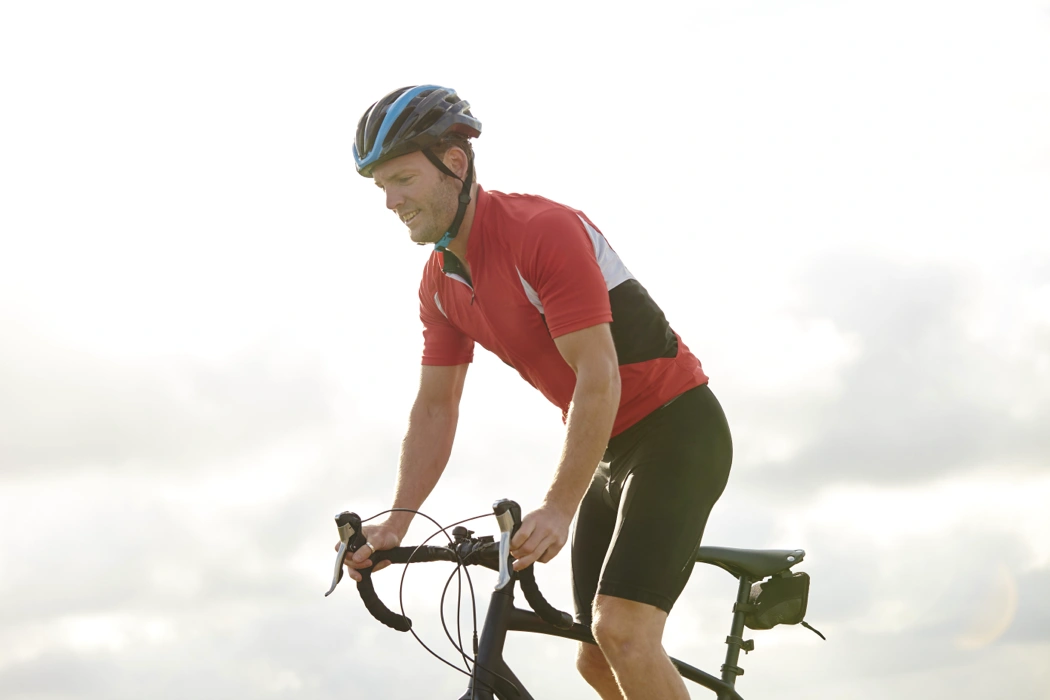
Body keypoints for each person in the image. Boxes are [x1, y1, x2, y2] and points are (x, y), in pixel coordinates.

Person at [341, 85, 733, 700]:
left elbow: (597, 375)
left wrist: (556, 507)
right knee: (596, 661)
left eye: (403, 179)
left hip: (676, 430)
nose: (391, 201)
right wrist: (397, 518)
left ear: (456, 163)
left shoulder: (540, 231)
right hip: (607, 450)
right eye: (380, 187)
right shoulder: (439, 282)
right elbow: (436, 406)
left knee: (625, 632)